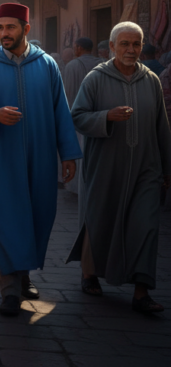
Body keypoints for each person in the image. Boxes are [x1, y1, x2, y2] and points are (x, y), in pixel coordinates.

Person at [0, 2, 81, 317]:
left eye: (11, 27)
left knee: (37, 216)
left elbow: (61, 110)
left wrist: (68, 153)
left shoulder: (47, 65)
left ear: (26, 29)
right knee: (4, 219)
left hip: (41, 157)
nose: (4, 33)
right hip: (0, 158)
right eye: (1, 27)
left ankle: (24, 275)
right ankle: (9, 291)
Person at [69, 22, 171, 315]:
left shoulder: (150, 79)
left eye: (136, 44)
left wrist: (167, 167)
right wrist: (106, 117)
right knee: (100, 221)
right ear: (111, 47)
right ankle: (89, 274)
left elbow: (161, 126)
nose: (131, 50)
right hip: (106, 168)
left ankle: (141, 292)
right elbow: (77, 116)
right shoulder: (96, 79)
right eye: (124, 44)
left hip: (146, 169)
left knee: (146, 227)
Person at [62, 37, 102, 193]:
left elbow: (68, 93)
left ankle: (78, 187)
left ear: (78, 48)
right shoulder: (103, 63)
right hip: (99, 116)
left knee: (79, 150)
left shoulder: (72, 65)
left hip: (78, 115)